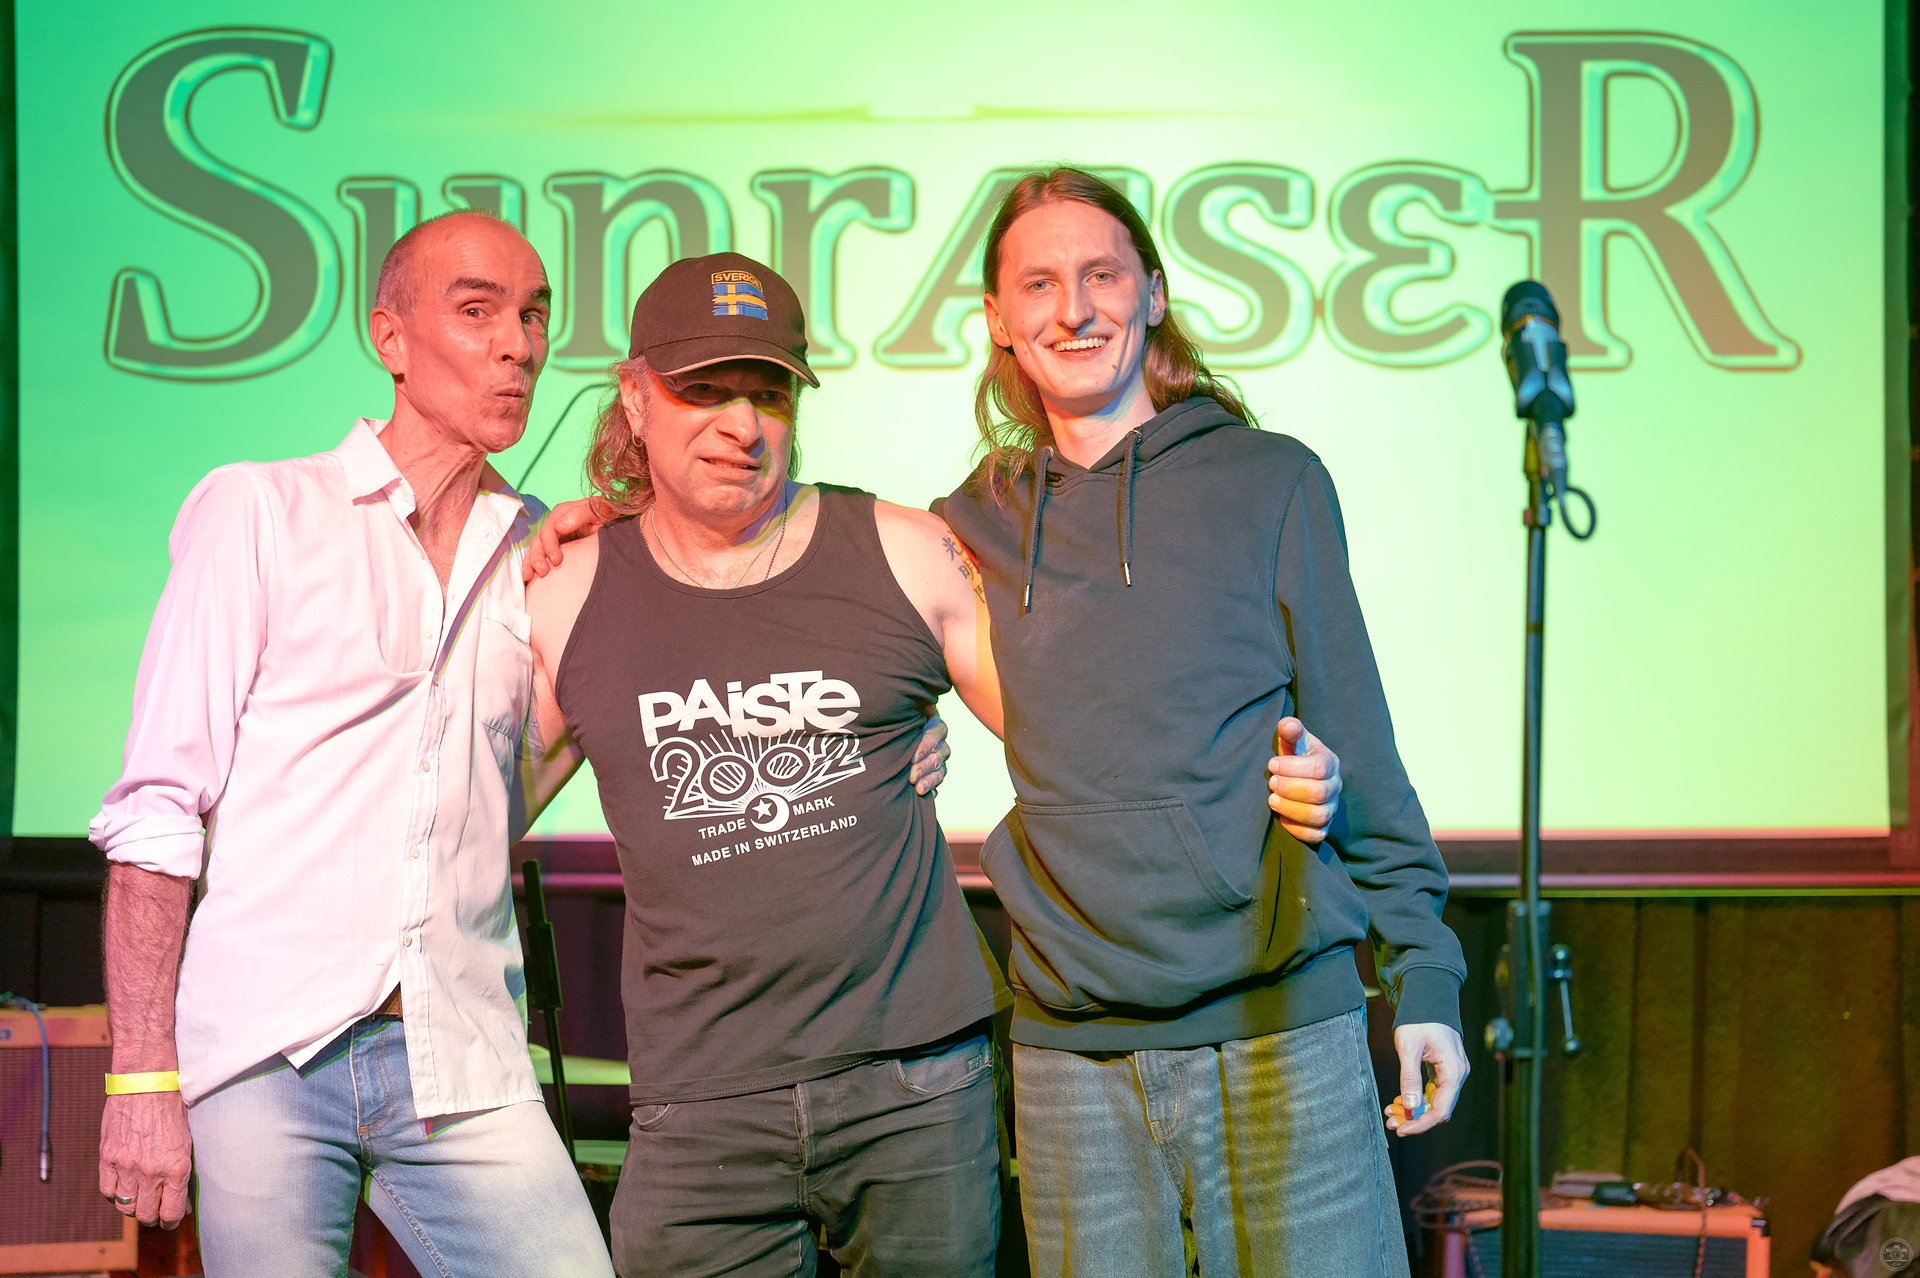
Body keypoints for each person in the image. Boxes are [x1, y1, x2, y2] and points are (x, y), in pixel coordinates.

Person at [519, 252, 1345, 1276]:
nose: (743, 424)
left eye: (768, 392)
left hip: (913, 1088)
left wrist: (1294, 767)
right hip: (699, 1109)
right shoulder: (566, 594)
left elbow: (1093, 740)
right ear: (636, 400)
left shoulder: (906, 553)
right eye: (705, 391)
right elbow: (461, 819)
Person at [934, 166, 1471, 1276]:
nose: (1073, 308)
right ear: (998, 320)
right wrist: (601, 516)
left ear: (1155, 293)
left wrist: (1426, 972)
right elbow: (783, 564)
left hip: (1286, 1036)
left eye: (1101, 275)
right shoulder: (966, 525)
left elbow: (1356, 734)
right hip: (1073, 1058)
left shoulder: (1269, 481)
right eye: (1038, 284)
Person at [90, 210, 615, 1277]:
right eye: (478, 312)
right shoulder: (263, 509)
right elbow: (158, 804)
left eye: (533, 315)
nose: (518, 343)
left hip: (459, 1049)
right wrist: (139, 1078)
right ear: (391, 338)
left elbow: (506, 792)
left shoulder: (534, 548)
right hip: (268, 1050)